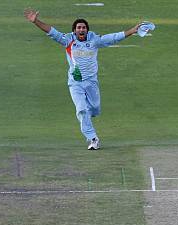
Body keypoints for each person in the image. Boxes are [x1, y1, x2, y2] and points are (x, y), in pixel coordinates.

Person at [24, 9, 143, 150]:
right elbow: (51, 31)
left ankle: (88, 115)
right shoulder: (68, 40)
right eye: (79, 27)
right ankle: (93, 138)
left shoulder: (94, 40)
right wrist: (36, 21)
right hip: (75, 83)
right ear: (74, 30)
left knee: (94, 108)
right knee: (81, 110)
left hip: (91, 82)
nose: (82, 29)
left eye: (84, 28)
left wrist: (132, 31)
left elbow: (113, 37)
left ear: (87, 30)